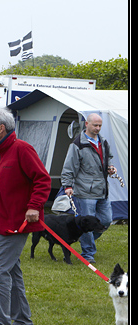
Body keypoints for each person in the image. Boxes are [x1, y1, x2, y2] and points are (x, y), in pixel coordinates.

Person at [0, 107, 51, 325]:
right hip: (1, 222)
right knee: (11, 271)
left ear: (1, 128)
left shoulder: (22, 149)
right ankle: (23, 322)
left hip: (16, 224)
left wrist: (34, 205)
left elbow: (42, 179)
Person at [60, 112, 116, 263]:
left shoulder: (103, 142)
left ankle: (84, 238)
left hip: (102, 190)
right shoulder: (77, 144)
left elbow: (108, 158)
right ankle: (88, 254)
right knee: (87, 224)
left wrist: (110, 167)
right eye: (95, 125)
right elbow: (68, 167)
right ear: (86, 124)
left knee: (106, 221)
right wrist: (67, 185)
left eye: (100, 126)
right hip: (85, 192)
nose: (98, 128)